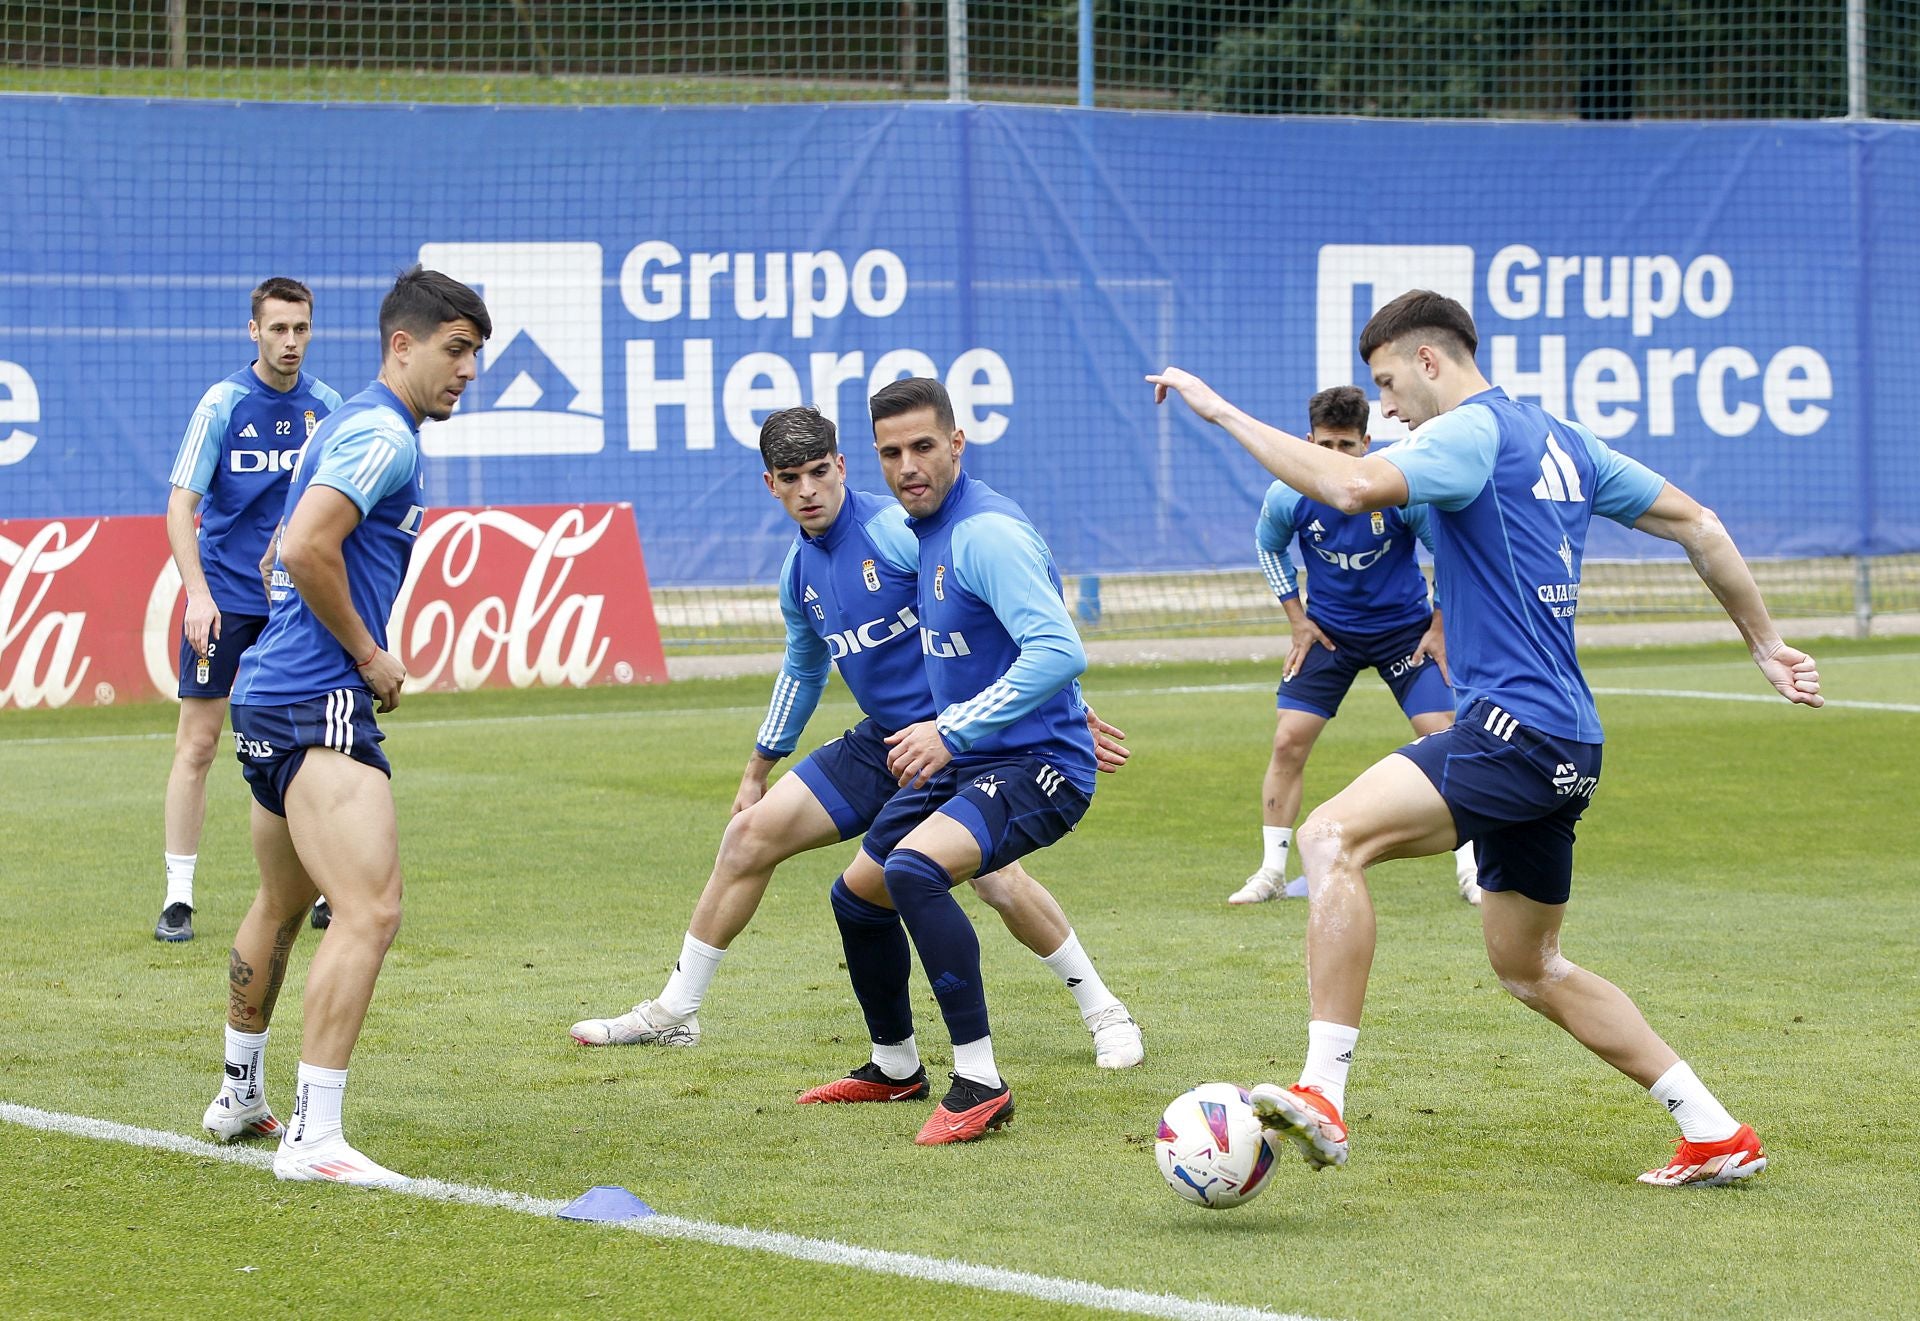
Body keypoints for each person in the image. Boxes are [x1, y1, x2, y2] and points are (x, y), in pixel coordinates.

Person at [1150, 289, 1821, 1187]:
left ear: (1431, 361)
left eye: (1387, 382)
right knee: (1529, 965)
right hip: (1570, 744)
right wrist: (1766, 644)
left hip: (1511, 730)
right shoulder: (1566, 441)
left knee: (1330, 836)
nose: (1384, 407)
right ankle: (1713, 1131)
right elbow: (1702, 524)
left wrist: (1219, 408)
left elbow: (1348, 485)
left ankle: (1322, 1091)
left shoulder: (1469, 434)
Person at [569, 406, 1143, 1076]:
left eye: (820, 470)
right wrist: (759, 764)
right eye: (792, 477)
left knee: (993, 879)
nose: (809, 488)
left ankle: (1104, 1010)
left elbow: (994, 619)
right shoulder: (798, 572)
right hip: (886, 742)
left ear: (842, 466)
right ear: (771, 485)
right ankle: (675, 1011)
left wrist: (1067, 708)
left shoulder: (900, 531)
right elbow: (803, 667)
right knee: (748, 836)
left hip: (958, 742)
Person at [200, 266, 490, 1186]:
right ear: (400, 345)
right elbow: (303, 544)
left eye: (476, 353)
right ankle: (315, 1136)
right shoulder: (383, 434)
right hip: (315, 694)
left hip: (268, 695)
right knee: (369, 909)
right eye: (454, 349)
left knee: (281, 902)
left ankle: (240, 1091)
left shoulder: (347, 420)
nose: (467, 370)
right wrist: (371, 656)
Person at [802, 377, 1102, 1145]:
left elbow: (1059, 648)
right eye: (892, 452)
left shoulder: (984, 533)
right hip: (973, 757)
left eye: (924, 447)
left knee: (913, 871)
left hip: (1039, 764)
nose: (909, 465)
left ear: (957, 444)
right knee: (857, 896)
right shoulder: (917, 531)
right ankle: (896, 1066)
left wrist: (956, 725)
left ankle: (980, 1081)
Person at [1230, 384, 1478, 906]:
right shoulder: (1289, 494)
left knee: (1444, 733)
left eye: (1347, 446)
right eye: (1326, 446)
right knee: (1287, 740)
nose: (1336, 457)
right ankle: (1271, 872)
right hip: (1330, 633)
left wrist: (1438, 628)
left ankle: (1473, 870)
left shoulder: (1397, 490)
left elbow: (1450, 557)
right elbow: (1268, 547)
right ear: (1308, 442)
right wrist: (1296, 620)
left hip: (1404, 631)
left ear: (1367, 443)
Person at [157, 278, 342, 942]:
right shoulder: (224, 403)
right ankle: (179, 896)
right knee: (200, 743)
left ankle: (325, 887)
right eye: (278, 329)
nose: (290, 341)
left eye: (300, 329)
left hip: (299, 606)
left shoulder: (329, 408)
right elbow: (181, 506)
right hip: (227, 599)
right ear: (253, 330)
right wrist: (198, 594)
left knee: (314, 747)